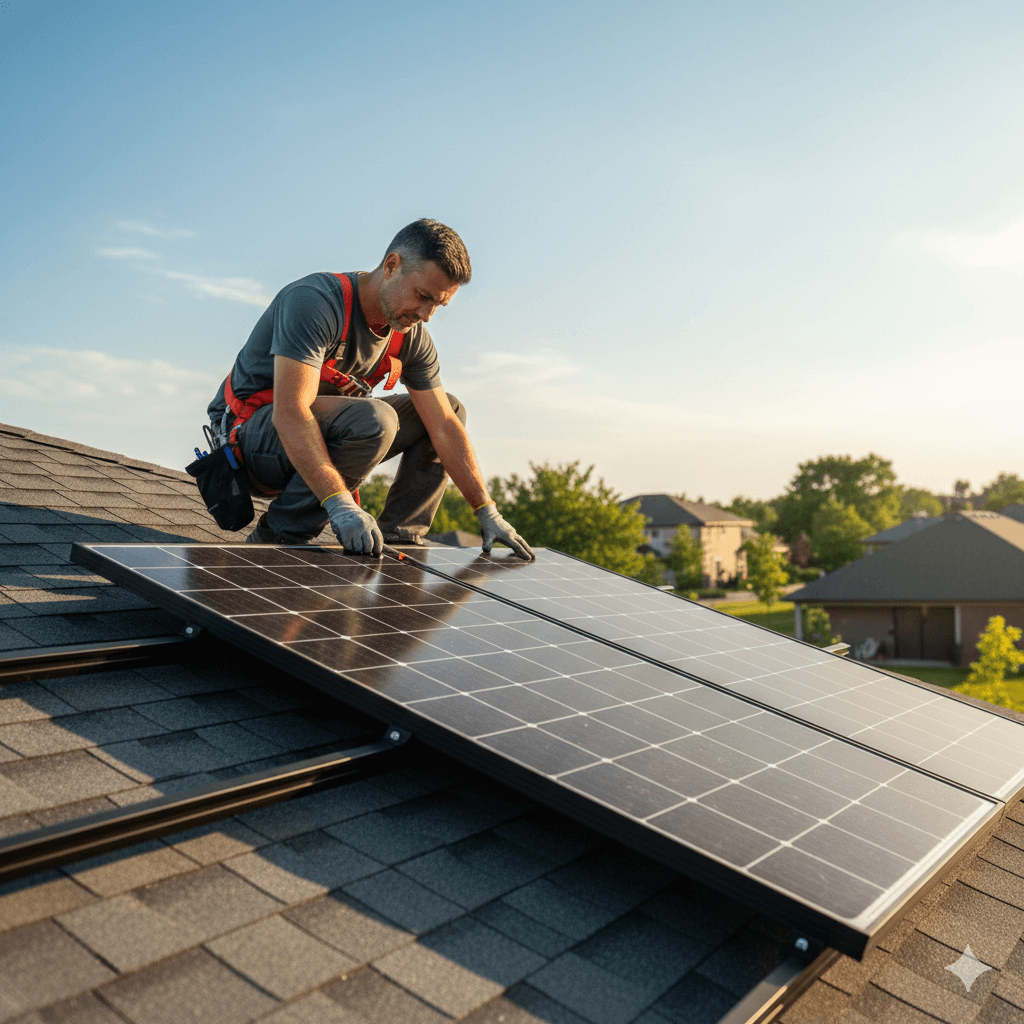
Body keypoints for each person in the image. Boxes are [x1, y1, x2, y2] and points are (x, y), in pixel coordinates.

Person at [206, 219, 534, 560]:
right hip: (249, 442)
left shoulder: (410, 336)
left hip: (312, 441)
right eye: (422, 297)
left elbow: (444, 428)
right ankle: (277, 538)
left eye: (438, 304)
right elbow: (290, 412)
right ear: (392, 266)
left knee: (449, 410)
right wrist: (341, 506)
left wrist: (485, 509)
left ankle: (400, 538)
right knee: (377, 419)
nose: (426, 315)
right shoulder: (316, 302)